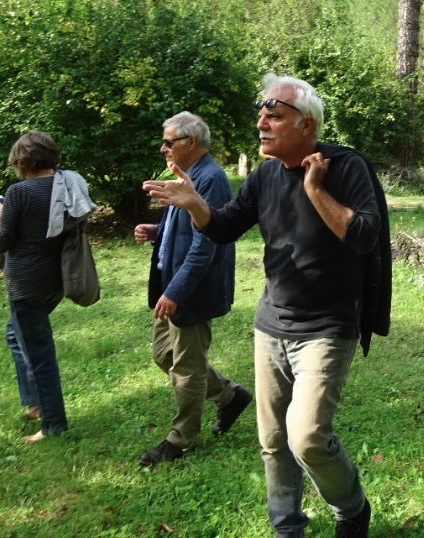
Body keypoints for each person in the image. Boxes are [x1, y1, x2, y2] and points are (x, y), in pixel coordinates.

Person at [143, 76, 391, 537]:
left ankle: (351, 507)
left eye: (273, 116)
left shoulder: (345, 166)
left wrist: (315, 189)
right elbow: (223, 228)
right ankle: (286, 529)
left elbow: (363, 236)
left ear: (306, 124)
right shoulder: (264, 175)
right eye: (261, 115)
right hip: (272, 324)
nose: (261, 124)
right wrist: (196, 204)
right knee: (274, 442)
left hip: (327, 327)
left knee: (307, 437)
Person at [135, 111, 252, 466]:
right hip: (172, 282)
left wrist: (177, 291)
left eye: (168, 141)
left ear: (191, 142)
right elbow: (184, 225)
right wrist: (156, 231)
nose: (162, 148)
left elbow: (207, 243)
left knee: (187, 367)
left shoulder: (211, 178)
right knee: (164, 354)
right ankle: (230, 396)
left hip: (192, 288)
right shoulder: (187, 174)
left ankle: (181, 437)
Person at [0, 130, 97, 443]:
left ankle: (52, 424)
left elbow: (2, 241)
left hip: (27, 283)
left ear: (22, 161)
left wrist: (2, 215)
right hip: (58, 278)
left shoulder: (18, 192)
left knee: (39, 353)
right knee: (15, 333)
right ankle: (34, 403)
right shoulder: (70, 184)